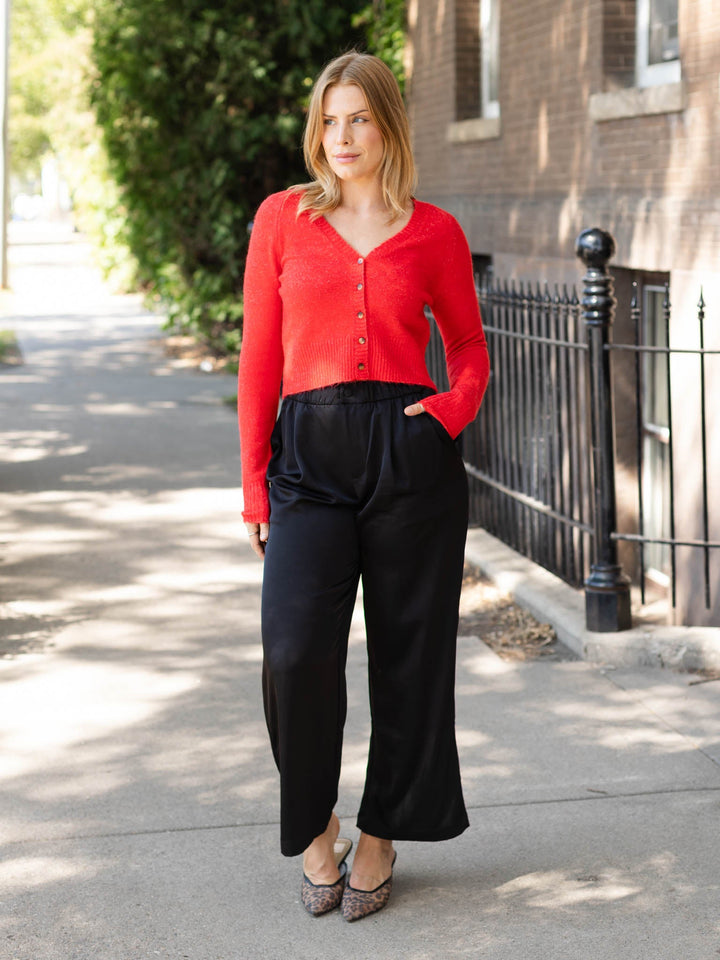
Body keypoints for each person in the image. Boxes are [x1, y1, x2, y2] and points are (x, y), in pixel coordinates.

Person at [237, 50, 490, 922]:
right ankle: (318, 831)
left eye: (359, 119)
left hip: (409, 457)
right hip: (307, 459)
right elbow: (259, 362)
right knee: (294, 652)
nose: (341, 137)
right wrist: (255, 488)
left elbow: (467, 348)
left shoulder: (435, 233)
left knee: (412, 659)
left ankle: (382, 835)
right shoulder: (281, 220)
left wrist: (448, 413)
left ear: (387, 127)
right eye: (329, 120)